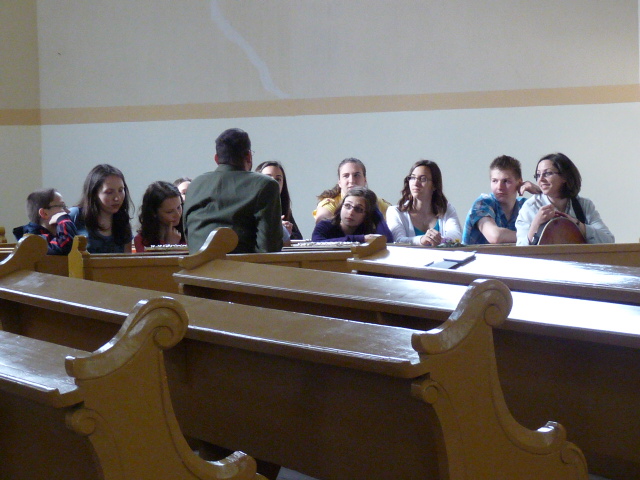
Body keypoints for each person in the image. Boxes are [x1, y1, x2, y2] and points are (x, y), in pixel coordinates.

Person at [184, 128, 283, 254]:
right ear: (249, 156)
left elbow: (188, 234)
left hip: (196, 265)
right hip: (243, 266)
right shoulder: (265, 185)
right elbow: (269, 248)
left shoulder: (194, 185)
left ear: (216, 159)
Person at [515, 152, 614, 245]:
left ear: (564, 177)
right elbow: (521, 249)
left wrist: (577, 224)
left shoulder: (584, 205)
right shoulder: (531, 206)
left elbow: (608, 240)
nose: (540, 179)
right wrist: (535, 224)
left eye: (547, 173)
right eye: (538, 175)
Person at [462, 155, 540, 245]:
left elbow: (551, 226)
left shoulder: (525, 205)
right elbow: (495, 236)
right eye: (494, 181)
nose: (499, 187)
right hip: (479, 254)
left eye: (506, 181)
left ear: (519, 183)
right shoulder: (483, 203)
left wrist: (539, 192)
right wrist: (531, 236)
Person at [386, 160, 461, 246]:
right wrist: (421, 240)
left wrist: (439, 240)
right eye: (412, 178)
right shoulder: (395, 211)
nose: (416, 183)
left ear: (434, 185)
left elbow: (457, 237)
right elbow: (398, 241)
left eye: (423, 179)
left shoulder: (446, 209)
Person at [69, 164, 133, 253]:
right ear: (94, 193)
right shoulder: (75, 215)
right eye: (109, 192)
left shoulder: (123, 221)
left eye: (121, 190)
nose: (117, 198)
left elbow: (127, 259)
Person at [313, 157, 390, 223]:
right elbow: (323, 230)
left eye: (356, 175)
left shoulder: (378, 204)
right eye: (346, 176)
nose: (351, 180)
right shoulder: (330, 204)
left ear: (365, 180)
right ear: (339, 182)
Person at [311, 186, 393, 243]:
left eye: (358, 209)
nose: (351, 212)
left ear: (366, 214)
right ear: (341, 206)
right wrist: (361, 239)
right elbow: (317, 243)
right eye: (347, 205)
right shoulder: (325, 226)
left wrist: (376, 213)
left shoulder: (367, 231)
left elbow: (388, 242)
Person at [12, 188, 78, 255]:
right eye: (62, 206)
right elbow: (65, 247)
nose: (68, 211)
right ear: (44, 213)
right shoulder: (35, 239)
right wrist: (63, 219)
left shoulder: (53, 235)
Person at [255, 160, 303, 242]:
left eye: (278, 179)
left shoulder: (283, 207)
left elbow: (298, 239)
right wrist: (274, 227)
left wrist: (287, 232)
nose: (274, 183)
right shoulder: (249, 205)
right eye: (267, 178)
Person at [134, 181, 185, 252]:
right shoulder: (142, 240)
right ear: (154, 213)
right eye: (169, 212)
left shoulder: (188, 233)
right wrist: (170, 246)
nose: (178, 215)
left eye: (179, 207)